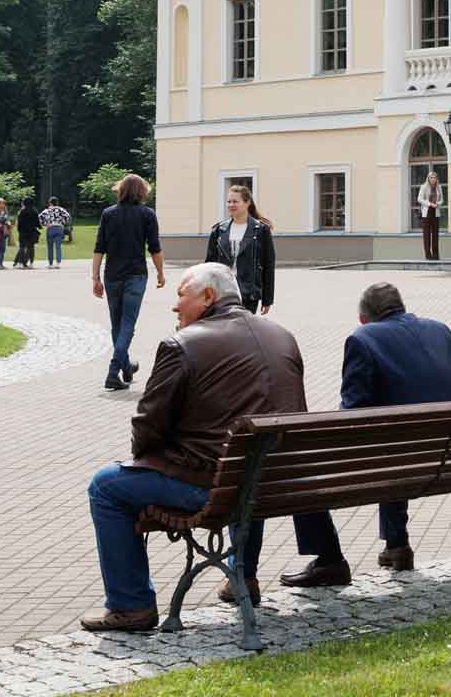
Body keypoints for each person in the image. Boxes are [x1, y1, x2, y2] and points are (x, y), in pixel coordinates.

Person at [81, 262, 307, 633]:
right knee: (248, 463)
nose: (175, 306)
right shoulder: (282, 336)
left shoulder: (182, 345)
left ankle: (131, 605)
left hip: (211, 484)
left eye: (180, 294)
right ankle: (243, 575)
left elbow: (147, 426)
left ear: (208, 297)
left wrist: (151, 458)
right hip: (275, 480)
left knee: (106, 486)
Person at [276, 281, 451, 586]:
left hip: (390, 458)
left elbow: (354, 412)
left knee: (301, 470)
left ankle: (329, 560)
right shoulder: (440, 330)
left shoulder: (363, 338)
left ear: (364, 319)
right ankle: (396, 545)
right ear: (401, 308)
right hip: (445, 453)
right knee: (394, 447)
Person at [91, 174, 165, 392]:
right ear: (142, 192)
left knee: (117, 325)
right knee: (127, 325)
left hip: (112, 275)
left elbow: (99, 248)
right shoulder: (147, 214)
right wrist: (161, 272)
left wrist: (95, 277)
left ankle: (127, 367)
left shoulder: (108, 214)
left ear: (120, 190)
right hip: (135, 275)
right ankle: (114, 371)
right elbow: (155, 247)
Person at [204, 185, 275, 315]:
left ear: (247, 203)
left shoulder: (261, 230)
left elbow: (268, 266)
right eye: (229, 201)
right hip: (223, 292)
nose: (231, 205)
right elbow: (209, 265)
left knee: (242, 330)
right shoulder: (219, 230)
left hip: (248, 293)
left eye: (235, 201)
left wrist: (267, 299)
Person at [416, 170, 443, 262]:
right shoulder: (424, 187)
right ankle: (428, 255)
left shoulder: (439, 187)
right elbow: (419, 199)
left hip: (436, 211)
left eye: (434, 177)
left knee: (435, 234)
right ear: (428, 178)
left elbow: (442, 199)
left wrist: (437, 204)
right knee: (427, 235)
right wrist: (429, 204)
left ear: (436, 179)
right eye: (431, 177)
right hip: (426, 212)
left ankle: (436, 254)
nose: (433, 179)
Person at [39, 197, 71, 268]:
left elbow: (40, 217)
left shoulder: (47, 210)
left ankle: (50, 263)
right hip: (59, 228)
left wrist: (45, 224)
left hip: (50, 228)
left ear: (50, 203)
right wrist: (63, 223)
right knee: (58, 246)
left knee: (50, 247)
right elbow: (68, 216)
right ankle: (58, 263)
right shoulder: (61, 209)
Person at [14, 197, 40, 269]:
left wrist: (19, 230)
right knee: (31, 248)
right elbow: (37, 222)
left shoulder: (22, 211)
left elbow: (19, 223)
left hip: (23, 232)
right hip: (32, 231)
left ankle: (20, 263)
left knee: (22, 247)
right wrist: (39, 227)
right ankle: (31, 263)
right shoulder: (35, 211)